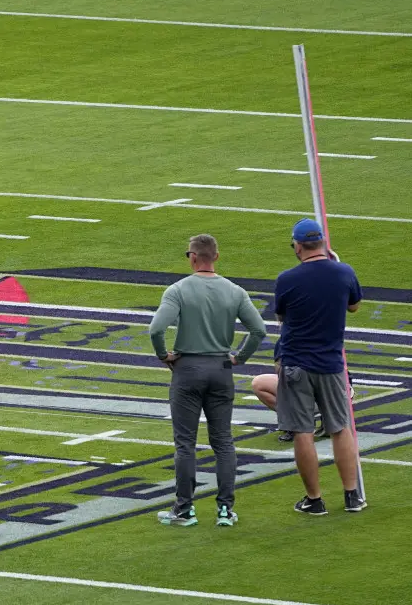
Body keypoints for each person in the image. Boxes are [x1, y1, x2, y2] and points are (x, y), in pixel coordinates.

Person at [149, 234, 266, 527]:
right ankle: (225, 509)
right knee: (223, 442)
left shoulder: (178, 290)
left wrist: (165, 356)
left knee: (186, 444)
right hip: (221, 367)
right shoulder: (235, 291)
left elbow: (156, 329)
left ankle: (185, 509)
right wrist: (240, 358)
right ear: (216, 256)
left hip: (187, 369)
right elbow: (259, 330)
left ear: (192, 257)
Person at [274, 219, 365, 515]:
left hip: (296, 362)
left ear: (298, 246)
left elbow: (282, 318)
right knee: (341, 428)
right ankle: (352, 495)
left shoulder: (287, 279)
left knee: (302, 432)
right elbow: (354, 306)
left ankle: (314, 499)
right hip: (330, 362)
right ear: (323, 243)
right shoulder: (343, 271)